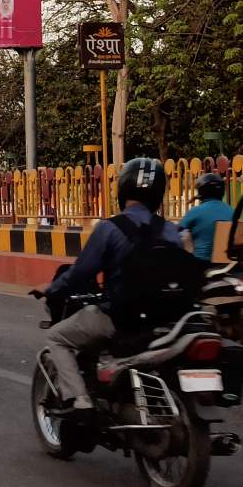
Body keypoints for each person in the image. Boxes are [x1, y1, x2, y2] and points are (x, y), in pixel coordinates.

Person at [37, 158, 185, 414]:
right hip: (164, 320)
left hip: (120, 318)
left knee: (56, 337)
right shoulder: (171, 231)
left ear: (123, 190)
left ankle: (80, 399)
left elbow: (81, 272)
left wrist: (51, 288)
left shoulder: (109, 228)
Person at [179, 173, 233, 264]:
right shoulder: (232, 211)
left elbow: (176, 231)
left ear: (201, 191)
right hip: (229, 264)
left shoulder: (196, 211)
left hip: (202, 263)